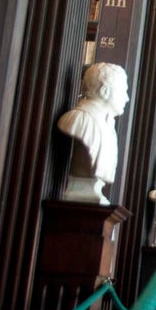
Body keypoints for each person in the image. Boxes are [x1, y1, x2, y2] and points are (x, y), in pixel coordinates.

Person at [56, 62, 129, 205]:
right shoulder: (79, 121)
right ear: (105, 91)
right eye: (123, 91)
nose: (127, 98)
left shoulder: (109, 127)